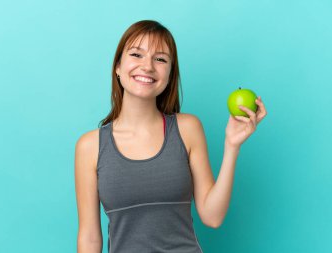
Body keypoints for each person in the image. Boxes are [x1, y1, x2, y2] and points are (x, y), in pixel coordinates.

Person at [75, 20, 267, 253]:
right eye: (137, 54)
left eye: (160, 59)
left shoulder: (188, 128)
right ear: (117, 66)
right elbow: (89, 238)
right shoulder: (90, 146)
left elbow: (212, 217)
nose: (147, 66)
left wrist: (231, 146)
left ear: (169, 75)